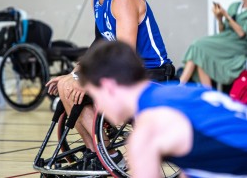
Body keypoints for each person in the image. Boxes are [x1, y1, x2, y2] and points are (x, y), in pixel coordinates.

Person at [46, 0, 175, 157]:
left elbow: (124, 55)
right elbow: (100, 44)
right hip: (125, 74)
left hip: (150, 76)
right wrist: (74, 74)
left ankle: (108, 154)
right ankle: (98, 154)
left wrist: (88, 82)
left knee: (78, 88)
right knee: (67, 88)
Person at [78, 40, 247, 178]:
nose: (98, 105)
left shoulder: (148, 129)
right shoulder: (178, 90)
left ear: (108, 87)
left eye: (95, 95)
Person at [180, 0, 247, 87]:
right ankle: (207, 92)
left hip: (238, 46)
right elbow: (222, 31)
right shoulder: (234, 6)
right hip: (225, 41)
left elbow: (242, 33)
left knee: (198, 45)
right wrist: (220, 18)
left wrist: (226, 15)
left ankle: (181, 85)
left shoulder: (232, 11)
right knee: (201, 54)